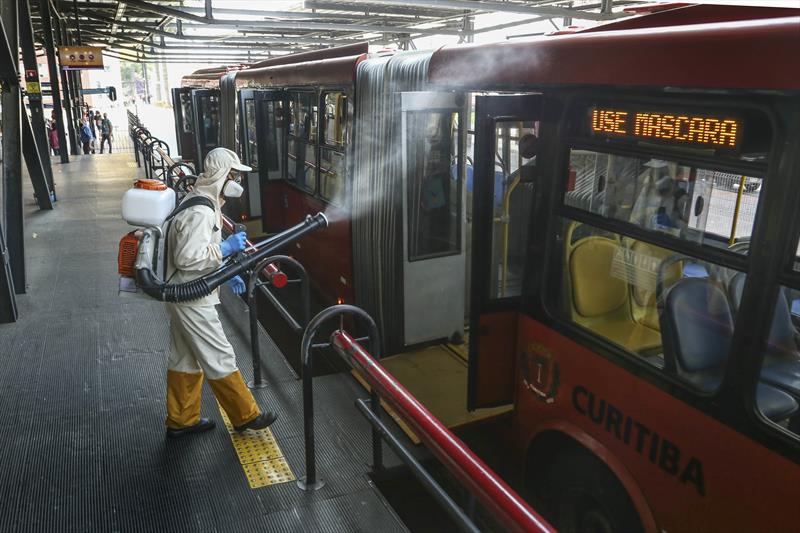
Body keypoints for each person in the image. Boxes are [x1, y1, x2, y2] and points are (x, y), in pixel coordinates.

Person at [163, 147, 277, 438]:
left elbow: (198, 253)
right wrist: (226, 249)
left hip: (183, 292)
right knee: (219, 354)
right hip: (190, 296)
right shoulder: (201, 210)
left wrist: (228, 272)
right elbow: (188, 257)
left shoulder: (204, 200)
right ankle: (244, 415)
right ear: (220, 175)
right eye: (234, 174)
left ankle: (182, 419)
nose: (237, 180)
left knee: (184, 357)